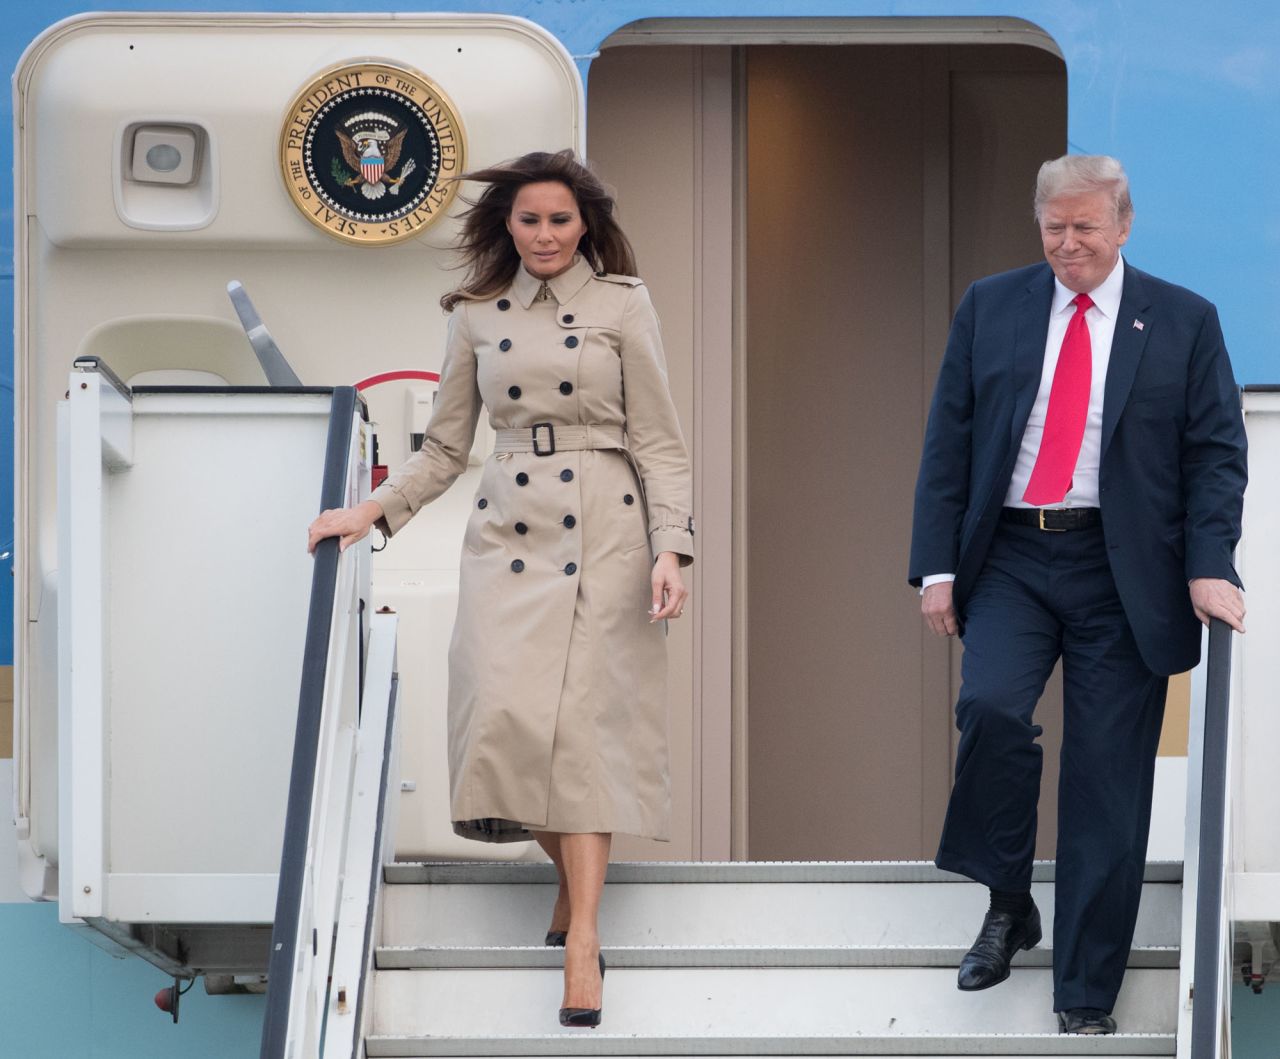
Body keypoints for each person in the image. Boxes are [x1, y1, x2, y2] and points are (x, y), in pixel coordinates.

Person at [308, 149, 694, 1028]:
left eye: (561, 219)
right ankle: (568, 883)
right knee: (505, 720)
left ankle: (584, 943)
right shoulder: (477, 315)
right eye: (530, 220)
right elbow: (445, 447)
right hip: (508, 528)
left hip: (608, 525)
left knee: (586, 735)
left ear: (585, 223)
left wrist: (672, 548)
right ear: (507, 226)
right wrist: (369, 510)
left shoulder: (623, 305)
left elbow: (661, 441)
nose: (546, 234)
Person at [908, 155, 1246, 1035]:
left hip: (1121, 567)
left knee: (1105, 781)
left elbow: (1216, 454)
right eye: (1054, 228)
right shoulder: (992, 304)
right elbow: (950, 438)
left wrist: (1212, 563)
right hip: (1014, 555)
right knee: (988, 708)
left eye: (1085, 227)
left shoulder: (1183, 319)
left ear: (1124, 225)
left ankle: (1085, 992)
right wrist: (936, 565)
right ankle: (1009, 901)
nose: (1068, 244)